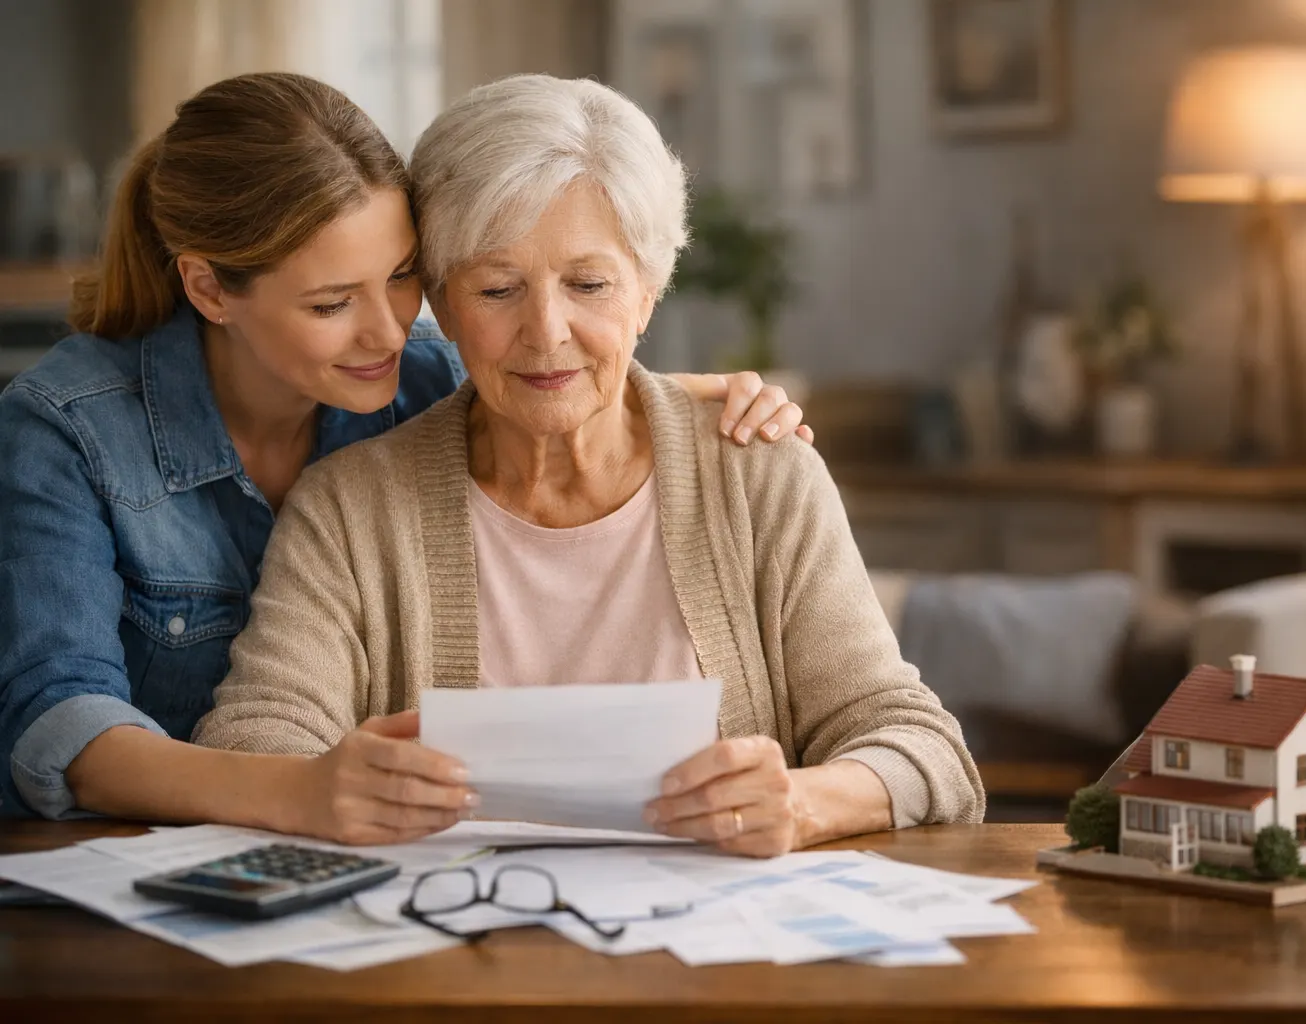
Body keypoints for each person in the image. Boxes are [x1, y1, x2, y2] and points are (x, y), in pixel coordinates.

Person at [195, 73, 984, 855]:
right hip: (445, 928)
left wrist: (803, 802)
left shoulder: (759, 475)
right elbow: (253, 738)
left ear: (647, 292)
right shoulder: (349, 506)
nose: (547, 331)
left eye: (589, 284)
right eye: (497, 289)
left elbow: (921, 748)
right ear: (440, 300)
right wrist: (335, 782)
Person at [0, 72, 811, 823]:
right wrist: (302, 787)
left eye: (400, 277)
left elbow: (548, 369)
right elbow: (57, 721)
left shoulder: (419, 375)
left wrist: (688, 402)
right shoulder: (64, 429)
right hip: (120, 857)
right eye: (331, 304)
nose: (389, 332)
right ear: (210, 288)